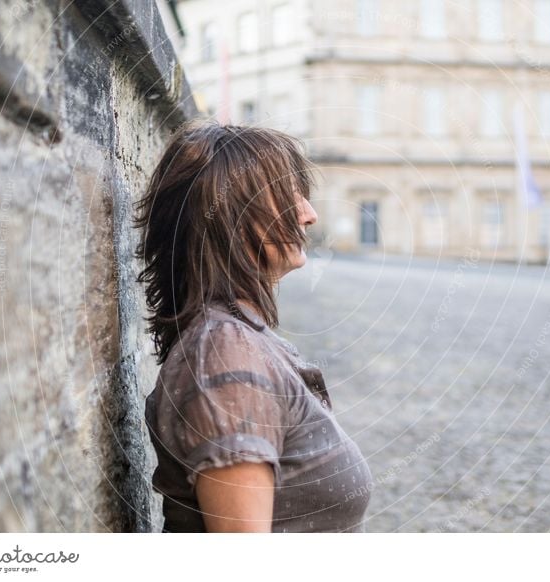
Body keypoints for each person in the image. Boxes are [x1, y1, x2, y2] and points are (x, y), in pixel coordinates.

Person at [133, 119, 373, 532]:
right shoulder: (225, 357)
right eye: (285, 195)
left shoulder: (237, 339)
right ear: (229, 216)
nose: (309, 214)